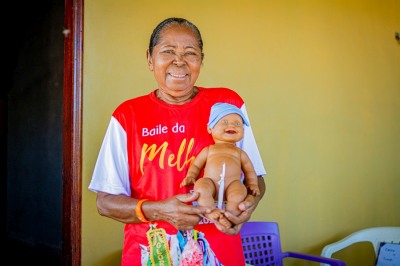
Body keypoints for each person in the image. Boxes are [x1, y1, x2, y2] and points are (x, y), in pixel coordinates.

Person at [88, 17, 266, 266]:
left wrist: (248, 205)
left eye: (190, 53)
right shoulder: (127, 115)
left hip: (220, 256)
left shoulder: (227, 105)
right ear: (150, 59)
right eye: (168, 51)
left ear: (201, 60)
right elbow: (105, 203)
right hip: (152, 253)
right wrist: (159, 210)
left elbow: (255, 178)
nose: (179, 61)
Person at [180, 102, 260, 228]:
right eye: (224, 122)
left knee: (240, 192)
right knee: (201, 186)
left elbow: (250, 171)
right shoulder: (209, 150)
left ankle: (230, 216)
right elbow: (196, 166)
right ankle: (210, 211)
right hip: (210, 182)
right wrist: (191, 176)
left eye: (237, 124)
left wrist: (253, 184)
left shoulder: (239, 153)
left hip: (232, 185)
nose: (232, 125)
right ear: (210, 128)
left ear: (243, 132)